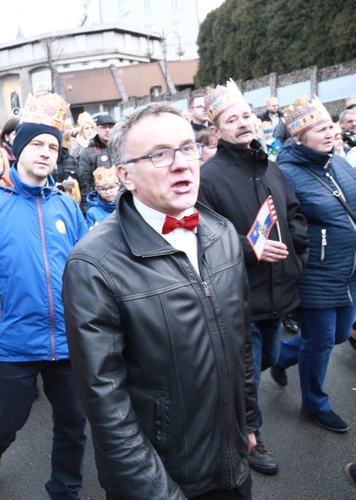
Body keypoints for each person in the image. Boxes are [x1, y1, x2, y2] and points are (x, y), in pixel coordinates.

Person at [63, 101, 257, 498]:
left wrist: (248, 421)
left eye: (188, 147)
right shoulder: (94, 264)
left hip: (233, 464)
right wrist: (160, 493)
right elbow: (106, 405)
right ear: (125, 176)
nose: (183, 163)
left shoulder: (221, 234)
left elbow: (240, 342)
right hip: (161, 479)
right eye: (159, 155)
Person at [0, 93, 88, 497]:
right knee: (9, 417)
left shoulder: (66, 206)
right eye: (37, 144)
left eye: (52, 146)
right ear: (17, 148)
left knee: (74, 422)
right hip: (11, 341)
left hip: (67, 341)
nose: (45, 153)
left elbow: (86, 274)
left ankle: (65, 489)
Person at [198, 80, 309, 475]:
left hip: (280, 293)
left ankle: (226, 402)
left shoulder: (272, 167)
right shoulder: (207, 178)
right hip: (241, 296)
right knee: (248, 376)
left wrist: (298, 247)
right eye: (232, 119)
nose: (243, 123)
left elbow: (294, 213)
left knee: (269, 359)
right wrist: (250, 250)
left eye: (246, 115)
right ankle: (250, 436)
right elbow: (202, 240)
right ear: (216, 130)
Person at [270, 96, 356, 434]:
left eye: (329, 126)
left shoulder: (337, 162)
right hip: (315, 275)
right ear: (300, 137)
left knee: (337, 335)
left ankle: (281, 357)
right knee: (320, 342)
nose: (329, 133)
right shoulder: (286, 173)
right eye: (319, 129)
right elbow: (282, 227)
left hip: (348, 271)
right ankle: (314, 404)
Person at [78, 113, 116, 214]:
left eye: (110, 127)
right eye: (103, 127)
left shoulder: (121, 147)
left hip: (122, 201)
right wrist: (86, 208)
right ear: (97, 129)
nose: (107, 130)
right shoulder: (88, 152)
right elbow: (84, 182)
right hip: (100, 205)